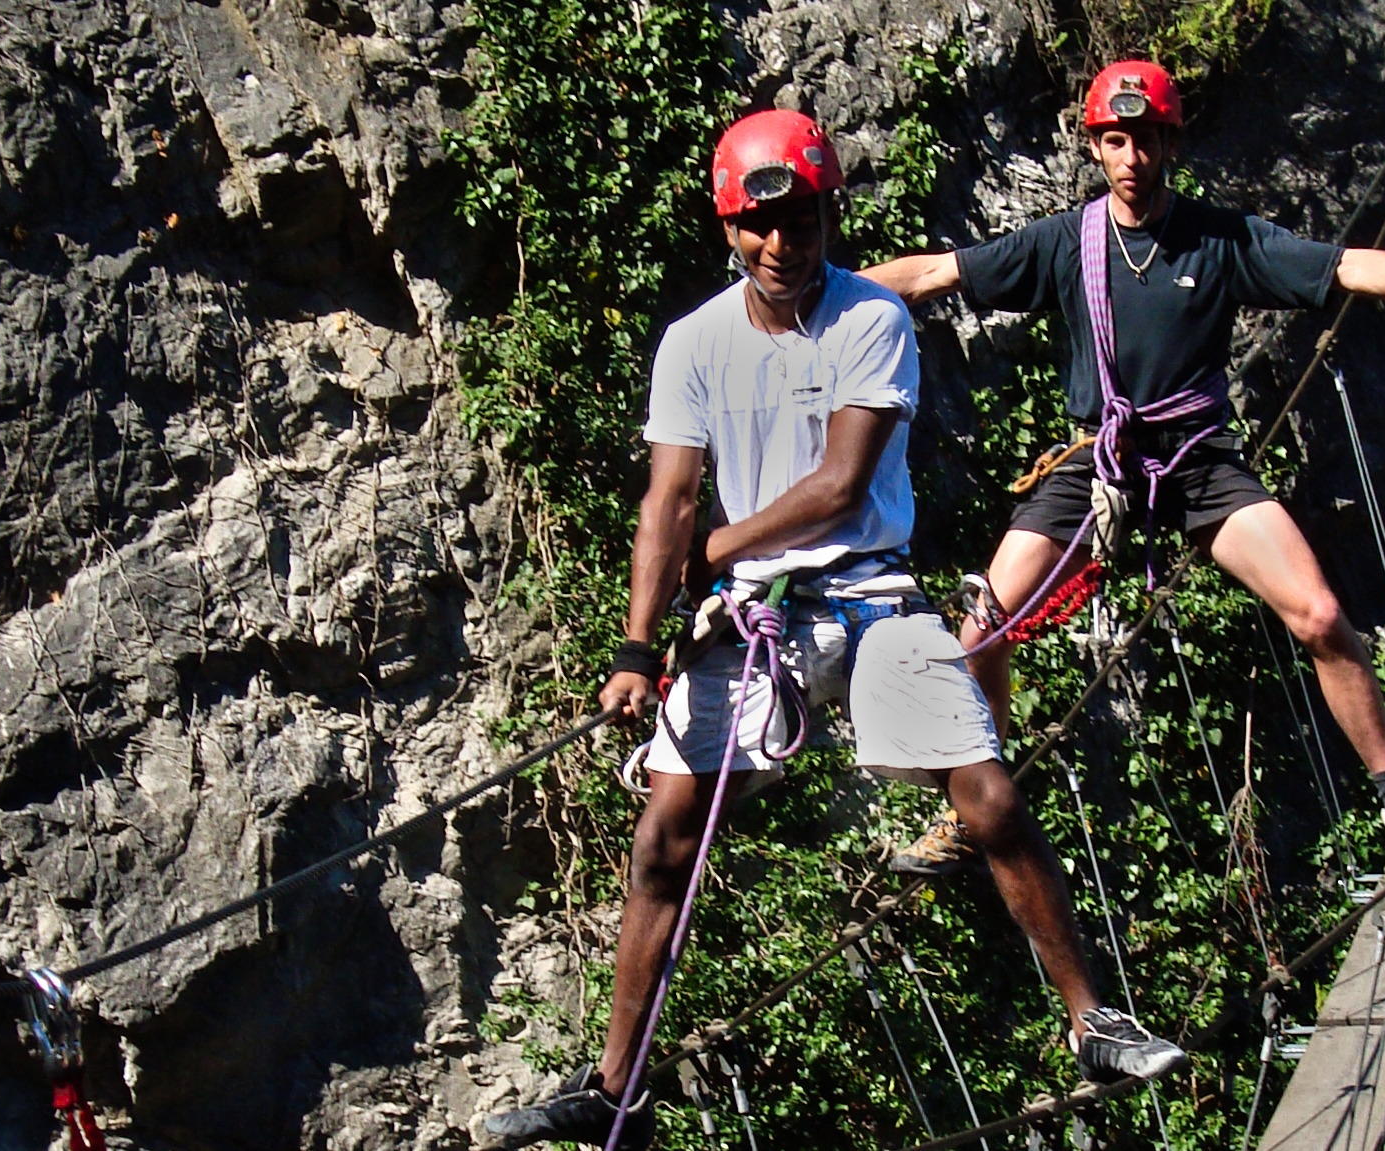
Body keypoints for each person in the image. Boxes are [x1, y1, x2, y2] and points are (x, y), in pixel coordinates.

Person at [482, 108, 1187, 1151]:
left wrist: (716, 550)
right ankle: (614, 1090)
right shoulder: (694, 343)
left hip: (869, 591)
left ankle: (1091, 1019)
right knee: (664, 834)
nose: (781, 244)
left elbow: (839, 484)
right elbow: (666, 499)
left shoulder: (871, 317)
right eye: (758, 226)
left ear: (827, 217)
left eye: (801, 222)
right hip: (758, 614)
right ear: (728, 226)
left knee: (986, 793)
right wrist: (635, 647)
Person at [860, 60, 1385, 875]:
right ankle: (969, 812)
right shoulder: (1065, 242)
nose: (1130, 158)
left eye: (1145, 140)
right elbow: (932, 272)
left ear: (1170, 144)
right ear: (1095, 146)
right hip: (1099, 458)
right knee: (984, 627)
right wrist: (822, 299)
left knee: (1318, 615)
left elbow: (1345, 267)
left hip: (1197, 458)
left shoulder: (1220, 238)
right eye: (1115, 141)